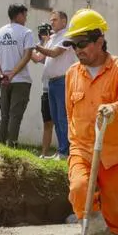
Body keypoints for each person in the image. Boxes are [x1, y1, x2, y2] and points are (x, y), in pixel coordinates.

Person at [63, 8, 118, 235]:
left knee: (116, 213)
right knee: (79, 190)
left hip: (117, 152)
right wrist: (73, 145)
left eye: (82, 43)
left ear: (99, 41)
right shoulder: (72, 73)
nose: (77, 50)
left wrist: (114, 108)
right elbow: (69, 112)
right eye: (73, 45)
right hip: (82, 148)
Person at [33, 10, 77, 160]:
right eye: (51, 20)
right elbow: (39, 58)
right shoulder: (52, 38)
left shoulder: (68, 36)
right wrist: (31, 47)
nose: (51, 23)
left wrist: (37, 46)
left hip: (63, 81)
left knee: (62, 117)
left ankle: (65, 152)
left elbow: (54, 53)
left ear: (64, 21)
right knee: (56, 118)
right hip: (51, 83)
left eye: (55, 20)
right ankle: (61, 151)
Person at [0, 3, 34, 147]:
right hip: (21, 81)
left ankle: (1, 145)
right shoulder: (26, 32)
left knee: (5, 115)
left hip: (4, 81)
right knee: (15, 115)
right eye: (25, 16)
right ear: (19, 15)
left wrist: (1, 75)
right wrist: (12, 74)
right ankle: (12, 145)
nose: (26, 19)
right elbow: (28, 56)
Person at [32, 23, 55, 158]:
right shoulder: (43, 45)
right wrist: (28, 46)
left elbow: (40, 57)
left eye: (45, 33)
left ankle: (64, 151)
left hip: (58, 88)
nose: (43, 36)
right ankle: (44, 153)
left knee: (61, 122)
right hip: (46, 89)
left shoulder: (55, 44)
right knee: (47, 122)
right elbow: (36, 58)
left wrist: (46, 41)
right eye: (41, 34)